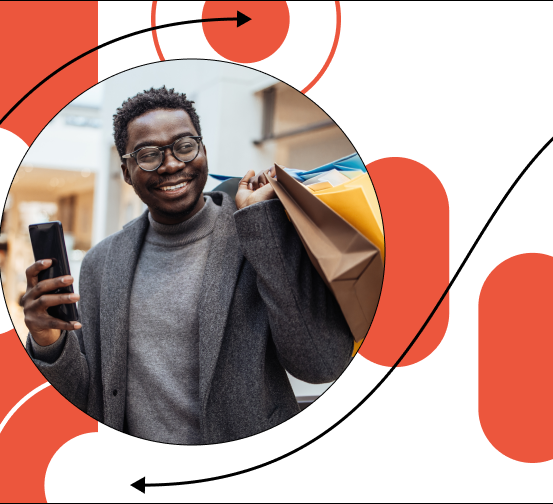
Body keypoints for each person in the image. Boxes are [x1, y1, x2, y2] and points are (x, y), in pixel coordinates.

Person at [22, 86, 353, 445]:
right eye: (148, 154)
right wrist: (47, 343)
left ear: (203, 151)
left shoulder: (256, 235)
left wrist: (261, 225)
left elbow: (321, 364)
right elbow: (82, 400)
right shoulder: (102, 263)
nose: (171, 164)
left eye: (184, 146)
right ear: (127, 172)